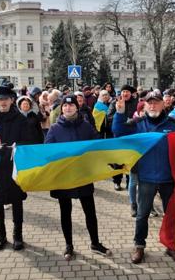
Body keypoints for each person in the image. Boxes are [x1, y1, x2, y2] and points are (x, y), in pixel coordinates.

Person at [112, 91, 175, 265]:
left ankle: (171, 246)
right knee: (142, 214)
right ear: (145, 105)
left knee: (171, 215)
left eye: (156, 102)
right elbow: (118, 132)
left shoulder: (174, 124)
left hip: (168, 178)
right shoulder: (137, 123)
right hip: (145, 178)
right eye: (149, 103)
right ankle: (139, 246)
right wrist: (120, 113)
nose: (153, 106)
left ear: (163, 104)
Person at [45, 95, 111, 261]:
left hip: (83, 175)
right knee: (65, 212)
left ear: (76, 107)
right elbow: (47, 151)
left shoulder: (86, 126)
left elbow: (97, 143)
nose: (68, 108)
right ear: (62, 109)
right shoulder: (54, 128)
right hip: (63, 177)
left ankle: (95, 243)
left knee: (90, 211)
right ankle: (69, 245)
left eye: (71, 106)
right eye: (65, 106)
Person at [0, 86, 32, 252]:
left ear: (11, 100)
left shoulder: (21, 119)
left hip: (14, 167)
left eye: (5, 99)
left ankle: (18, 236)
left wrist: (13, 149)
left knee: (17, 201)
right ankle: (0, 236)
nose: (2, 102)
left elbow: (29, 141)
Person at [108, 85, 137, 191]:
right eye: (123, 91)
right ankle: (117, 181)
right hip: (119, 136)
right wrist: (120, 118)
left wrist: (133, 120)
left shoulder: (136, 103)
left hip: (132, 136)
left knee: (130, 160)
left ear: (131, 94)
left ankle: (130, 183)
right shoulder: (115, 102)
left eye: (127, 92)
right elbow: (109, 116)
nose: (125, 94)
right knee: (118, 161)